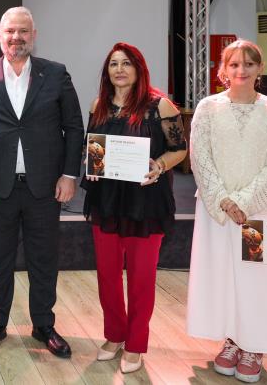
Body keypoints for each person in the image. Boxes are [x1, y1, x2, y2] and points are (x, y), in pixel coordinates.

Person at [0, 6, 84, 358]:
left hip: (44, 187)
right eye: (10, 31)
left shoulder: (56, 74)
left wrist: (69, 174)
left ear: (34, 35)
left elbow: (73, 127)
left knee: (44, 258)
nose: (16, 37)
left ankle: (43, 324)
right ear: (0, 36)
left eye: (23, 31)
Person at [187, 39, 267, 383]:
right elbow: (199, 157)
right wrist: (224, 200)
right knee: (224, 277)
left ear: (259, 68)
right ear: (223, 70)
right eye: (234, 64)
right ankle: (233, 340)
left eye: (249, 64)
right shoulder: (207, 108)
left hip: (262, 211)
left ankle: (255, 345)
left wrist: (245, 202)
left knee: (260, 280)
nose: (241, 70)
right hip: (218, 213)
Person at [81, 42, 187, 373]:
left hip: (146, 202)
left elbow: (180, 149)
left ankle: (136, 344)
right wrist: (92, 165)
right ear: (107, 71)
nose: (120, 69)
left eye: (126, 63)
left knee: (141, 278)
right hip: (106, 201)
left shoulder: (160, 106)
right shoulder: (99, 105)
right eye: (114, 64)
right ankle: (114, 335)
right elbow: (92, 147)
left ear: (139, 69)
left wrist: (160, 165)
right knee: (107, 276)